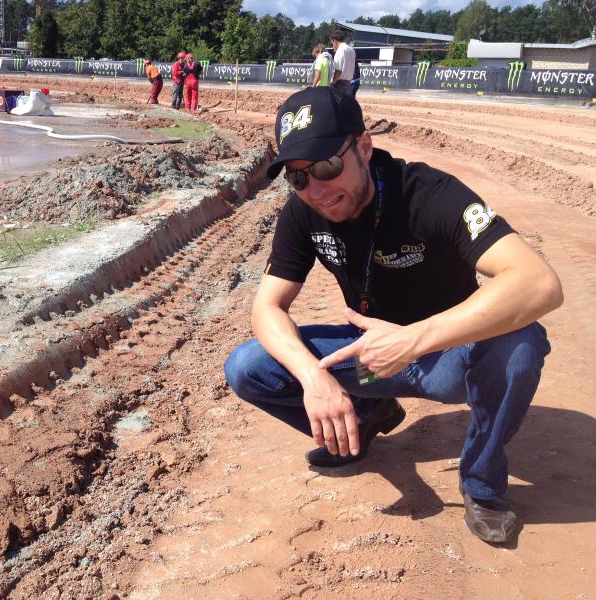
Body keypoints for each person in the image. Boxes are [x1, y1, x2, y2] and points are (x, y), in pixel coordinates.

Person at [224, 87, 562, 544]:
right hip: (370, 359)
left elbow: (538, 282)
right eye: (298, 178)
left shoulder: (429, 194)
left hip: (448, 355)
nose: (316, 189)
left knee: (521, 344)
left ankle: (481, 484)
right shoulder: (304, 213)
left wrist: (413, 339)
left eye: (325, 166)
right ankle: (362, 422)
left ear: (363, 147)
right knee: (249, 368)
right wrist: (314, 378)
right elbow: (267, 307)